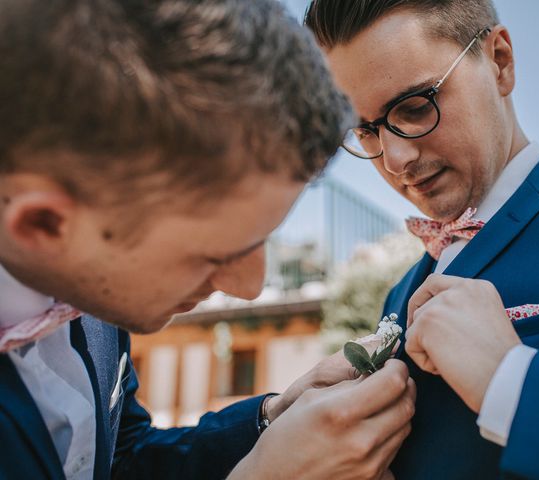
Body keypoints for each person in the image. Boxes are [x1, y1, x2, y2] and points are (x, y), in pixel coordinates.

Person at [0, 0, 416, 479]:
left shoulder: (93, 285)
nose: (251, 287)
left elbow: (122, 460)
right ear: (45, 225)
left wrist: (271, 420)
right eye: (217, 255)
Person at [305, 0, 539, 478]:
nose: (395, 158)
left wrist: (511, 381)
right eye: (366, 131)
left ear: (500, 61)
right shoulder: (398, 295)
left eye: (415, 106)